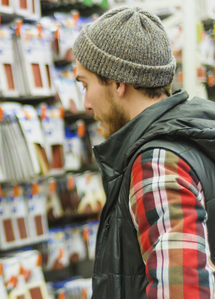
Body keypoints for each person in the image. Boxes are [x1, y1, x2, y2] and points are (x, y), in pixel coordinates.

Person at [72, 6, 215, 299]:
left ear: (117, 83)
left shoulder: (158, 163)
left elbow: (183, 291)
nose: (86, 103)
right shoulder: (188, 139)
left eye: (86, 85)